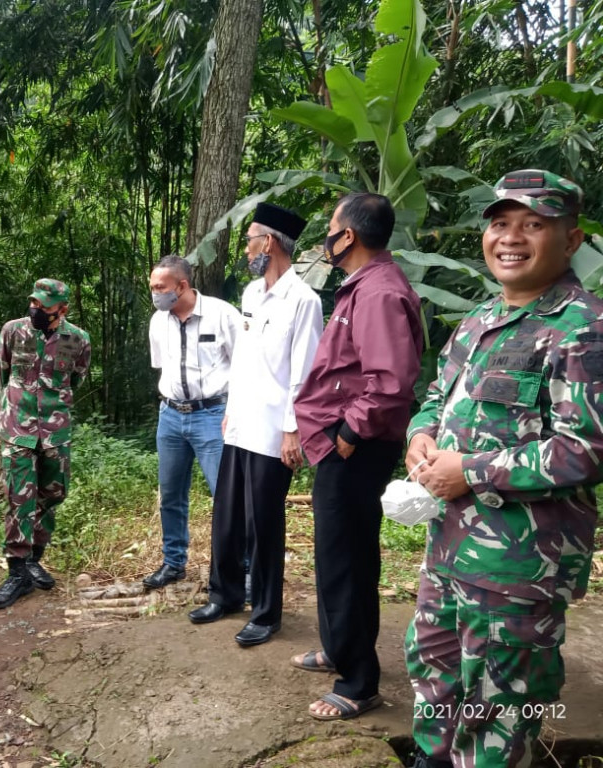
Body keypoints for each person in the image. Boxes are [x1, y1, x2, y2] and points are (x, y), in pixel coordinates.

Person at [405, 170, 603, 768]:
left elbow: (587, 449)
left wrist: (472, 471)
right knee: (434, 675)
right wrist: (421, 434)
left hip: (519, 568)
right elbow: (438, 395)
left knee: (499, 709)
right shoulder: (480, 319)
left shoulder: (584, 329)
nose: (510, 237)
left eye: (533, 224)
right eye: (500, 223)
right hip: (449, 549)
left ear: (571, 240)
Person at [292, 192, 423, 720]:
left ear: (348, 235)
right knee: (335, 553)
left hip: (355, 446)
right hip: (339, 442)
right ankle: (338, 647)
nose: (326, 237)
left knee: (347, 559)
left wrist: (348, 432)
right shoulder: (363, 286)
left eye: (331, 227)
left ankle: (358, 682)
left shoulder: (379, 292)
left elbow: (390, 381)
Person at [188, 203, 323, 647]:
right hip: (241, 422)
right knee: (227, 516)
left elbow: (304, 372)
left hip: (273, 431)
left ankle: (266, 613)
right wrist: (230, 408)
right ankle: (224, 595)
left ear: (268, 242)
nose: (246, 249)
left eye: (249, 241)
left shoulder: (303, 301)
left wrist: (293, 430)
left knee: (263, 524)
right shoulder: (250, 294)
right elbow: (244, 362)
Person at [0, 278, 91, 609]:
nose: (36, 309)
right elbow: (1, 373)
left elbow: (76, 377)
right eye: (33, 302)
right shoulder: (13, 331)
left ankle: (34, 557)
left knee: (53, 493)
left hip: (55, 428)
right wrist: (12, 409)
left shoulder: (78, 338)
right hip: (17, 426)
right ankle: (17, 571)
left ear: (62, 309)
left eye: (44, 306)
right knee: (19, 496)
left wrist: (51, 403)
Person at [143, 255, 241, 590]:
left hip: (213, 415)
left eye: (160, 287)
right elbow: (162, 365)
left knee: (226, 495)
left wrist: (234, 412)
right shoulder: (158, 321)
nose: (155, 293)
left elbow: (244, 366)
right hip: (170, 416)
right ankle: (173, 562)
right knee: (170, 494)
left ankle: (239, 569)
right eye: (153, 286)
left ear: (182, 285)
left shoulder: (222, 315)